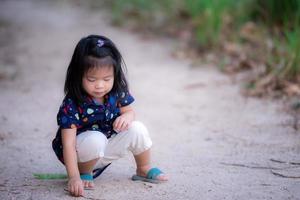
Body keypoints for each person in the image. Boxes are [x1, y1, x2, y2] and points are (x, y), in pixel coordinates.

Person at [52, 35, 168, 197]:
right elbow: (69, 143)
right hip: (80, 155)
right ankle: (85, 172)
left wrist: (126, 117)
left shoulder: (116, 91)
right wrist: (73, 177)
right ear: (78, 76)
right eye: (92, 79)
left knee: (137, 128)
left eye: (107, 79)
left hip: (104, 147)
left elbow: (129, 111)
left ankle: (143, 168)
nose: (100, 85)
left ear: (115, 74)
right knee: (95, 138)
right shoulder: (72, 103)